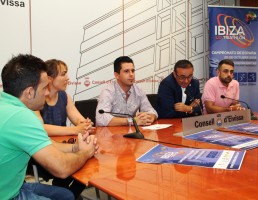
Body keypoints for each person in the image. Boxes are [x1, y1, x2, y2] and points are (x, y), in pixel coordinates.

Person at [0, 54, 98, 200]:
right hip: (9, 195)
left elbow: (42, 143)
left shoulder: (5, 104)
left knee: (66, 194)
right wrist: (86, 152)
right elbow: (62, 169)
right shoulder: (22, 116)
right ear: (29, 92)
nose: (47, 92)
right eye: (45, 87)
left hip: (13, 185)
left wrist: (75, 148)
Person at [35, 59, 95, 136]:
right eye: (63, 74)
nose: (67, 78)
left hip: (63, 142)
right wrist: (75, 130)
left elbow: (78, 119)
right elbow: (40, 128)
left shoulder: (64, 96)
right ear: (49, 79)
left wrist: (86, 125)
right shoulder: (36, 99)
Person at [95, 56, 157, 126]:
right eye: (126, 71)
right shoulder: (108, 91)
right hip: (111, 134)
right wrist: (131, 121)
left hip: (132, 132)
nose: (131, 74)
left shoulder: (138, 89)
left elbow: (151, 111)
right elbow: (101, 118)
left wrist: (151, 117)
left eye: (133, 71)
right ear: (117, 75)